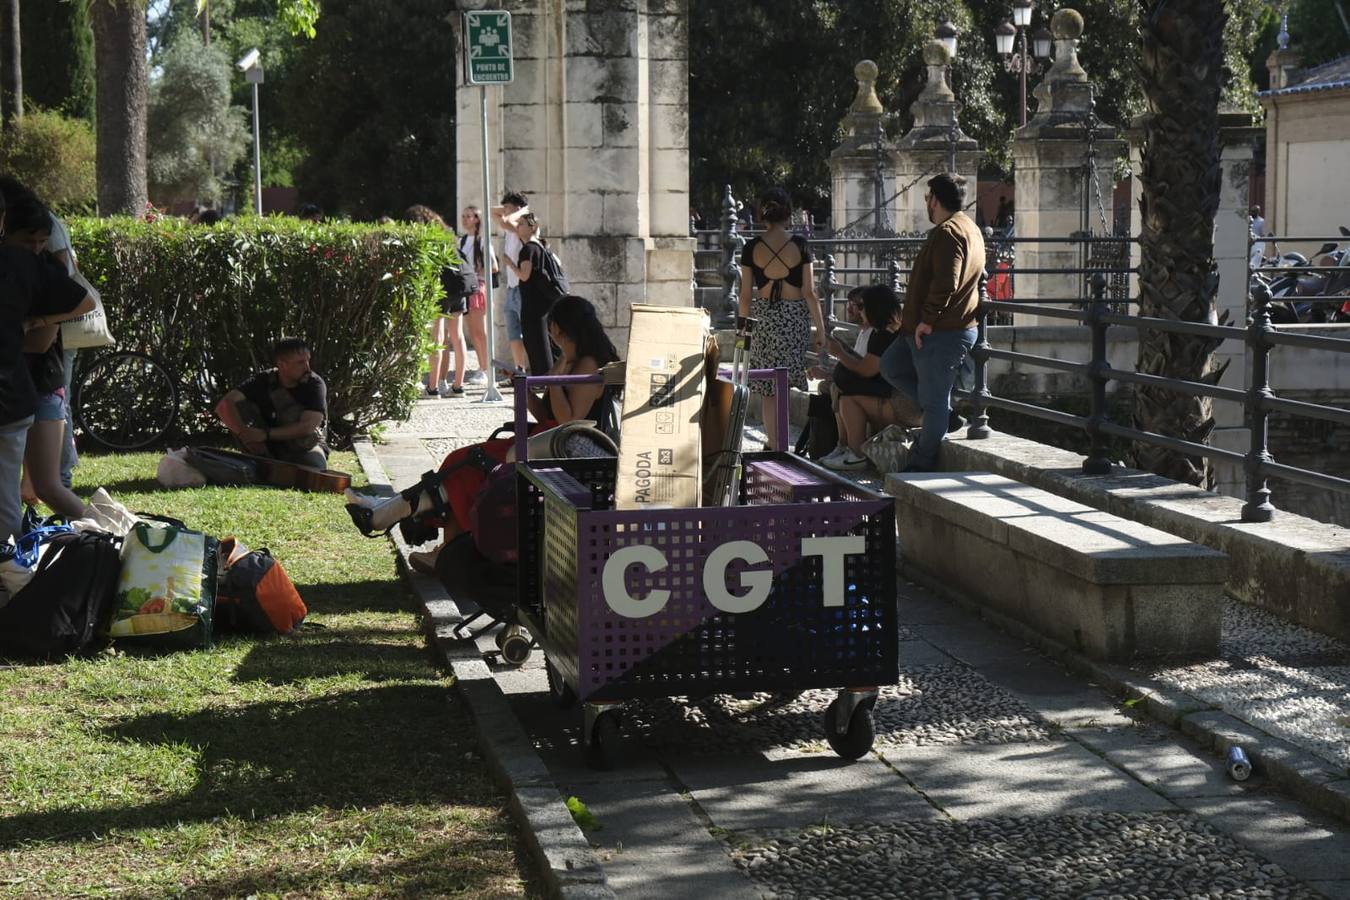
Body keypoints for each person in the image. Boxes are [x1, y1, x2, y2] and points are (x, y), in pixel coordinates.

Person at [346, 295, 620, 572]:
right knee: (461, 462)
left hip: (558, 449)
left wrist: (556, 377)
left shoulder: (587, 364)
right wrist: (523, 388)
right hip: (542, 440)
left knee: (468, 465)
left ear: (559, 328)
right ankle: (410, 526)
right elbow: (546, 414)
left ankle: (393, 518)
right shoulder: (569, 362)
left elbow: (567, 420)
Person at [0, 186, 93, 545]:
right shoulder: (24, 265)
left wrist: (29, 323)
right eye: (30, 240)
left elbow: (42, 340)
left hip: (36, 388)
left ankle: (112, 536)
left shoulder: (32, 267)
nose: (36, 248)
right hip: (22, 393)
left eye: (42, 241)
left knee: (48, 486)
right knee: (33, 489)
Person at [879, 173, 985, 473]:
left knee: (934, 400)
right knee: (890, 365)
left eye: (927, 198)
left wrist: (928, 320)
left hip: (940, 332)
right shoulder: (970, 228)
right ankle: (944, 415)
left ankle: (922, 461)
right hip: (929, 329)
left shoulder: (948, 233)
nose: (927, 203)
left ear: (936, 200)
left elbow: (946, 282)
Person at [738, 186, 826, 449]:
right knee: (784, 386)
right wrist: (820, 330)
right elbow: (810, 293)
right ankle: (782, 447)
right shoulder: (800, 245)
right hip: (793, 320)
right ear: (788, 214)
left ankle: (773, 443)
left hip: (764, 319)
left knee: (767, 388)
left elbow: (744, 297)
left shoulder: (751, 247)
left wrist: (743, 334)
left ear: (762, 215)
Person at [820, 284, 920, 471]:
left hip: (906, 405)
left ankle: (856, 454)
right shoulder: (892, 330)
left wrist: (840, 353)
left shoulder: (885, 334)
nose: (859, 310)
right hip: (909, 400)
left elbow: (866, 371)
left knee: (847, 399)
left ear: (874, 308)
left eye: (862, 306)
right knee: (842, 387)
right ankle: (846, 449)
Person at [215, 337, 329, 469]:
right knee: (240, 407)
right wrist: (244, 434)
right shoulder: (263, 380)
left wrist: (265, 434)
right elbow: (224, 404)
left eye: (308, 360)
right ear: (282, 364)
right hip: (266, 447)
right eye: (300, 362)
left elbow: (308, 426)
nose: (307, 367)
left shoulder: (314, 384)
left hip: (304, 447)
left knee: (315, 466)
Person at [405, 204, 467, 396]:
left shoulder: (428, 236)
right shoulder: (447, 232)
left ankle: (432, 387)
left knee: (437, 338)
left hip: (441, 288)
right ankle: (458, 385)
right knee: (458, 337)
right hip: (459, 286)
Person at [505, 212, 567, 376]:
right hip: (545, 303)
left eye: (521, 224)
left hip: (533, 305)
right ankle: (554, 376)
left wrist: (511, 264)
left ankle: (543, 379)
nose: (517, 227)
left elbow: (524, 275)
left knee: (536, 343)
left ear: (532, 228)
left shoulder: (528, 249)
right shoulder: (540, 247)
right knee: (546, 341)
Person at [491, 191, 530, 379]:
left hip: (524, 288)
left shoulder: (523, 224)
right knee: (514, 334)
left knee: (529, 332)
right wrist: (509, 209)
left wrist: (520, 211)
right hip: (512, 288)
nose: (503, 211)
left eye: (508, 207)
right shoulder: (510, 223)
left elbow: (506, 220)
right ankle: (519, 369)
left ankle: (536, 371)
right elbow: (492, 211)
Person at [458, 206, 496, 385]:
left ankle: (488, 368)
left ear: (477, 219)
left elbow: (493, 266)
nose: (465, 220)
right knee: (473, 332)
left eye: (469, 216)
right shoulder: (462, 240)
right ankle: (482, 367)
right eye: (463, 216)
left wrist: (475, 271)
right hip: (467, 288)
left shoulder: (482, 241)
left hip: (478, 286)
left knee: (481, 331)